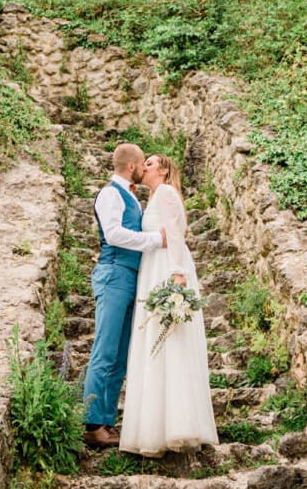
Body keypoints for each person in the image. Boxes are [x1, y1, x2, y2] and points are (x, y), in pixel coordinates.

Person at [119, 153, 218, 456]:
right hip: (153, 267)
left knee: (168, 339)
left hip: (166, 268)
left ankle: (178, 422)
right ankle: (156, 424)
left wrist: (177, 273)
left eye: (149, 163)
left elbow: (175, 234)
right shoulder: (152, 197)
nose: (144, 166)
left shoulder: (165, 192)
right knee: (156, 342)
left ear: (162, 170)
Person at [83, 143, 167, 449]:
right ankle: (92, 425)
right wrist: (155, 240)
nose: (146, 168)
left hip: (132, 277)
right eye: (143, 163)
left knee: (120, 355)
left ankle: (106, 421)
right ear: (131, 166)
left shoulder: (132, 195)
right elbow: (114, 234)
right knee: (105, 350)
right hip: (114, 273)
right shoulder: (110, 194)